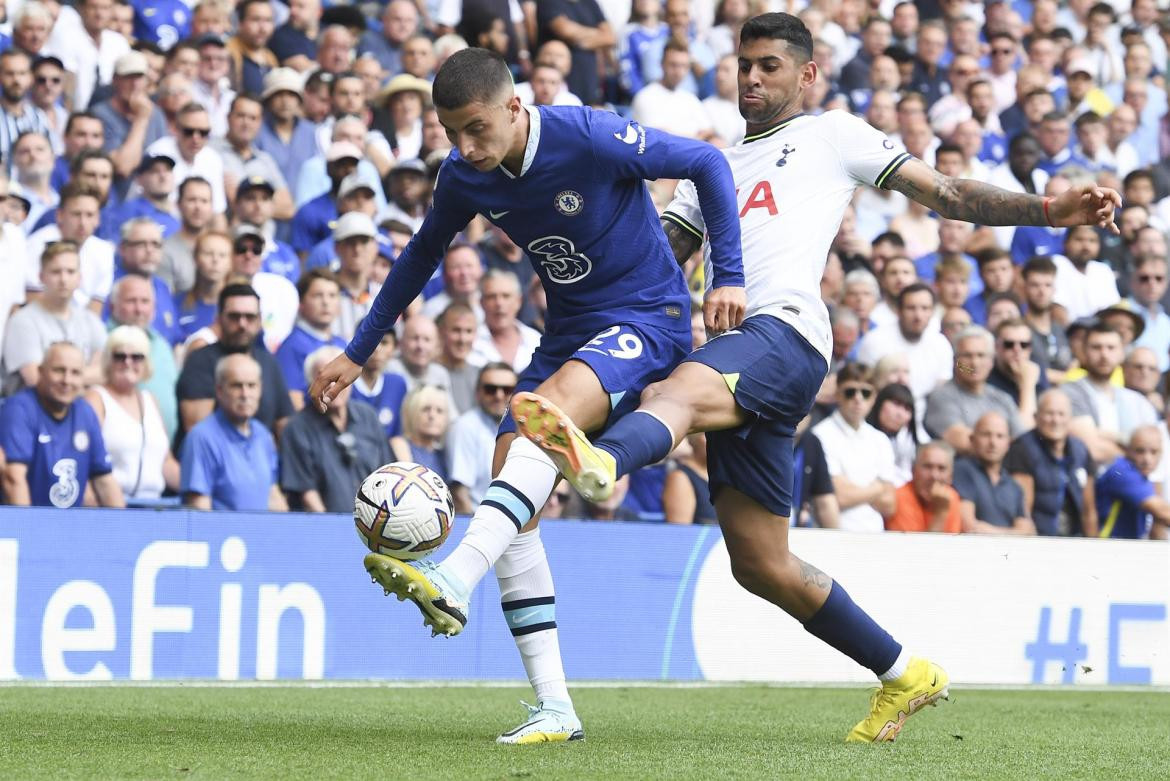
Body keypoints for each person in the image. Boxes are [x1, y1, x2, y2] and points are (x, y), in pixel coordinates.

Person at [509, 12, 1120, 743]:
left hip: (785, 334)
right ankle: (904, 672)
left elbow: (949, 193)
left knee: (670, 396)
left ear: (807, 74)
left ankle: (602, 459)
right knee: (761, 563)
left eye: (769, 65)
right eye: (744, 65)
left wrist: (1049, 210)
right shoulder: (714, 168)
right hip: (737, 355)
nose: (752, 78)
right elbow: (656, 266)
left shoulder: (834, 133)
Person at [309, 46, 744, 744]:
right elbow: (422, 253)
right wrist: (358, 349)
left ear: (515, 107)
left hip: (647, 318)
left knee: (545, 420)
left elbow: (708, 162)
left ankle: (454, 575)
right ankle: (555, 705)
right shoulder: (463, 175)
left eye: (477, 128)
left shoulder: (587, 135)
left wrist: (728, 274)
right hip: (566, 332)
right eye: (452, 133)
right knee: (512, 467)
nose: (466, 147)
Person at [0, 342, 124, 508]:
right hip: (27, 525)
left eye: (75, 373)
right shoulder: (19, 409)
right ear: (41, 372)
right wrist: (27, 530)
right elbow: (13, 478)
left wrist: (125, 530)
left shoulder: (85, 411)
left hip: (69, 527)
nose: (67, 380)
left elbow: (105, 480)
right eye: (59, 370)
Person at [280, 346, 392, 513]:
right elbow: (306, 492)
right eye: (326, 378)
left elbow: (388, 474)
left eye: (339, 377)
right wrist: (334, 531)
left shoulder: (368, 417)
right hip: (324, 531)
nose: (333, 385)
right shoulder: (297, 429)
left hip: (374, 528)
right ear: (312, 383)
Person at [176, 283, 294, 438]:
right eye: (234, 316)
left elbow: (286, 427)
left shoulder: (269, 363)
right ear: (218, 319)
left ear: (259, 322)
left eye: (250, 317)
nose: (242, 324)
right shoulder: (200, 361)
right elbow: (197, 431)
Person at [180, 352, 288, 511]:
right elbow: (199, 508)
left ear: (260, 389)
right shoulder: (202, 438)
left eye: (252, 386)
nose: (245, 394)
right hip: (222, 535)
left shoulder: (263, 435)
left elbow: (273, 495)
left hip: (262, 535)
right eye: (237, 386)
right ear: (219, 390)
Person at [82, 325, 179, 502]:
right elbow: (84, 461)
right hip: (111, 505)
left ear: (146, 363)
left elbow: (166, 462)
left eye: (137, 357)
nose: (128, 362)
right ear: (108, 361)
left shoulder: (150, 400)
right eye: (120, 356)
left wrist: (197, 489)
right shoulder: (96, 398)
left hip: (154, 505)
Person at [3, 242, 105, 394]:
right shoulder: (23, 321)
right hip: (34, 411)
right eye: (56, 272)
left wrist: (60, 378)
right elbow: (36, 380)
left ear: (79, 278)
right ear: (41, 277)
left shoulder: (89, 320)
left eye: (70, 272)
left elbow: (107, 371)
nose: (63, 279)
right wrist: (85, 376)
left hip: (79, 410)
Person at [812, 363, 899, 532]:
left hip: (875, 537)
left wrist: (855, 491)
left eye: (866, 393)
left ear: (874, 398)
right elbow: (839, 497)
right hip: (834, 536)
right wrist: (878, 488)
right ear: (837, 394)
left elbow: (889, 505)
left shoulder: (880, 440)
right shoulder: (820, 435)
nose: (858, 398)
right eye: (850, 392)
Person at [1006, 389, 1098, 537]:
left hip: (1075, 540)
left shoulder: (1081, 450)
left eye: (1061, 414)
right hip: (1040, 541)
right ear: (1036, 417)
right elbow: (1023, 512)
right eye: (1049, 413)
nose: (1055, 420)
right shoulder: (1022, 448)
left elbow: (1089, 511)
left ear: (1070, 419)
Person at [1064, 322, 1158, 464]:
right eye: (1096, 347)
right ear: (1083, 352)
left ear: (1122, 353)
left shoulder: (1138, 402)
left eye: (1111, 348)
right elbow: (1092, 448)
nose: (1104, 354)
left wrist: (1102, 434)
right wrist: (1134, 452)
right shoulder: (1069, 392)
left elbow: (1155, 449)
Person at [924, 325, 1022, 454]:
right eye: (967, 356)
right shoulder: (942, 397)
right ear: (956, 361)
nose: (974, 363)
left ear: (991, 361)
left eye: (981, 355)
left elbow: (1023, 442)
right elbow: (964, 443)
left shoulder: (1003, 398)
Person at [447, 362, 518, 513]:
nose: (499, 396)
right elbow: (459, 493)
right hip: (480, 520)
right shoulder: (465, 426)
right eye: (490, 389)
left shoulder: (523, 427)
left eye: (507, 390)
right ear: (478, 393)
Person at [952, 412, 1034, 535]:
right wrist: (1014, 533)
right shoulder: (961, 470)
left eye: (1000, 436)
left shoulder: (1013, 486)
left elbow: (1028, 532)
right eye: (986, 434)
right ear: (972, 439)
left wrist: (990, 531)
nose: (993, 442)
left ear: (1008, 444)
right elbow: (969, 527)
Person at [276, 268, 347, 410]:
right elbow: (293, 403)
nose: (326, 302)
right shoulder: (291, 347)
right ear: (301, 304)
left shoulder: (342, 343)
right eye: (317, 295)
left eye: (332, 295)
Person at [1094, 424, 1170, 538]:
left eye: (1154, 452)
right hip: (1107, 548)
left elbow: (1159, 521)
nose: (1147, 459)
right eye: (1140, 451)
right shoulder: (1121, 471)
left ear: (1161, 453)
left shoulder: (1143, 475)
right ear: (1128, 450)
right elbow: (1163, 512)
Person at [470, 270, 540, 373]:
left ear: (518, 301)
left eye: (506, 296)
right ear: (481, 302)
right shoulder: (470, 341)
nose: (499, 303)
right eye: (491, 297)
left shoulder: (536, 340)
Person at [887, 441, 962, 534]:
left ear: (951, 476)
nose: (934, 476)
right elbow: (918, 548)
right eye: (927, 467)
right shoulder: (899, 498)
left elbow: (953, 546)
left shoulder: (951, 496)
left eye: (941, 468)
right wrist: (940, 514)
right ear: (913, 470)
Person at [351, 331, 409, 439]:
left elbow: (398, 435)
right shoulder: (345, 384)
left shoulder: (397, 384)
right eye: (370, 340)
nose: (377, 349)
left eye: (384, 342)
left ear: (395, 348)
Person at [390, 384, 451, 480]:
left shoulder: (444, 455)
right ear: (412, 412)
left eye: (439, 411)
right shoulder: (400, 445)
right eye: (426, 409)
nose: (432, 415)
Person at [436, 302, 482, 414]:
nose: (462, 339)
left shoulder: (481, 375)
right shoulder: (429, 372)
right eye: (456, 330)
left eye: (469, 331)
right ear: (441, 331)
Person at [662, 433, 717, 524]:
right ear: (694, 439)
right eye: (707, 435)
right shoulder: (680, 477)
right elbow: (680, 531)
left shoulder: (722, 474)